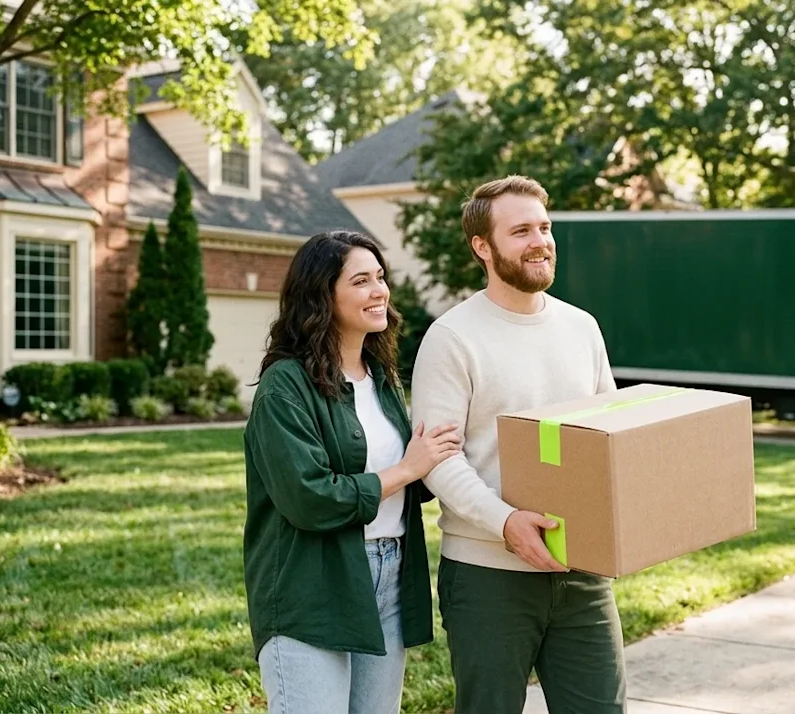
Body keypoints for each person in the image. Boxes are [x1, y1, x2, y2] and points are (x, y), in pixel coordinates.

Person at [409, 176, 627, 713]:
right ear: (482, 247)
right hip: (489, 576)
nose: (541, 240)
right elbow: (438, 459)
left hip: (581, 573)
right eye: (522, 230)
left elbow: (609, 441)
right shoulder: (452, 337)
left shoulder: (582, 329)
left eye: (546, 227)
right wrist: (505, 521)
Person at [242, 229, 462, 714]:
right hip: (312, 584)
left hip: (390, 571)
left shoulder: (381, 378)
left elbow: (414, 472)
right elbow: (309, 497)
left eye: (380, 277)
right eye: (361, 281)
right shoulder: (285, 386)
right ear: (322, 296)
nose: (379, 291)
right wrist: (408, 468)